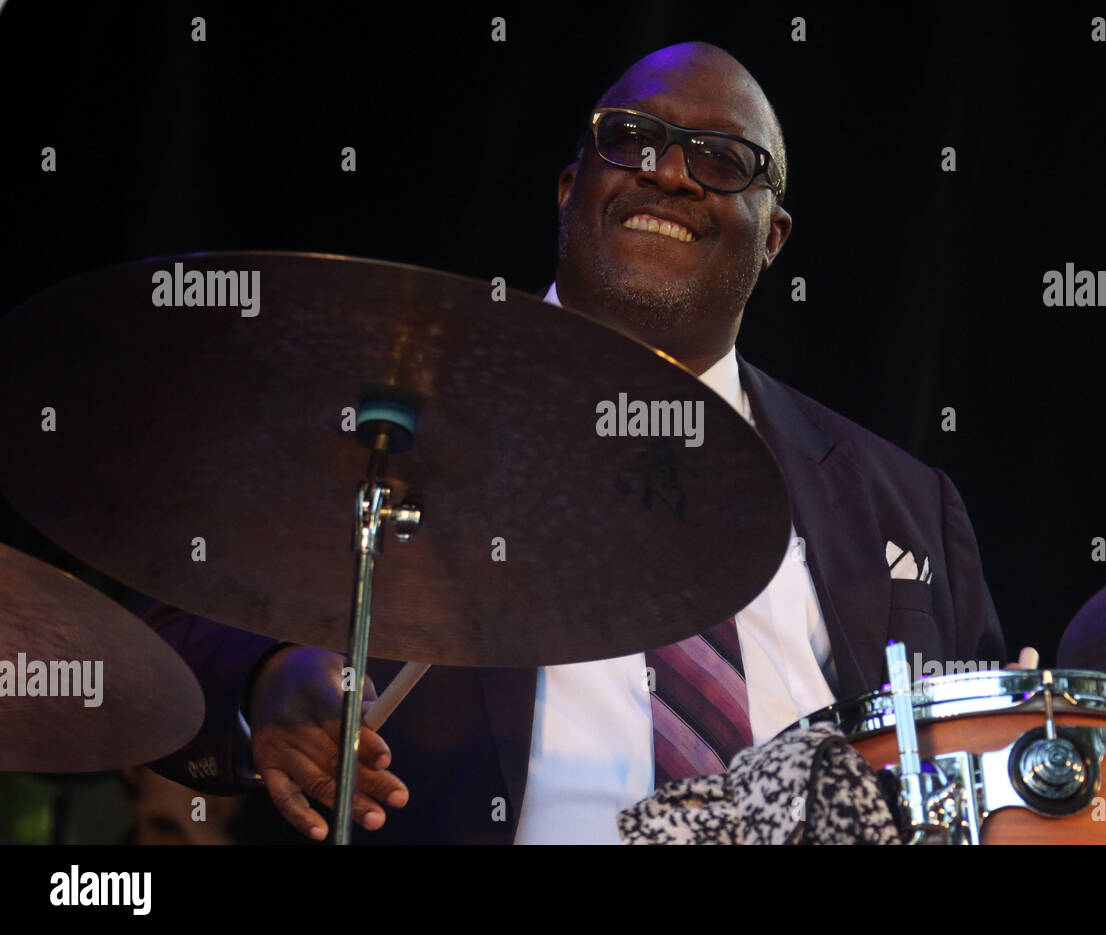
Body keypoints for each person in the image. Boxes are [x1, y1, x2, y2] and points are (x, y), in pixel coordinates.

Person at [151, 41, 1025, 844]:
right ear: (572, 189)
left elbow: (975, 771)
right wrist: (271, 679)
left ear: (774, 238)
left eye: (724, 160)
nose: (673, 173)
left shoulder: (904, 500)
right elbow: (172, 647)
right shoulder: (394, 407)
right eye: (636, 141)